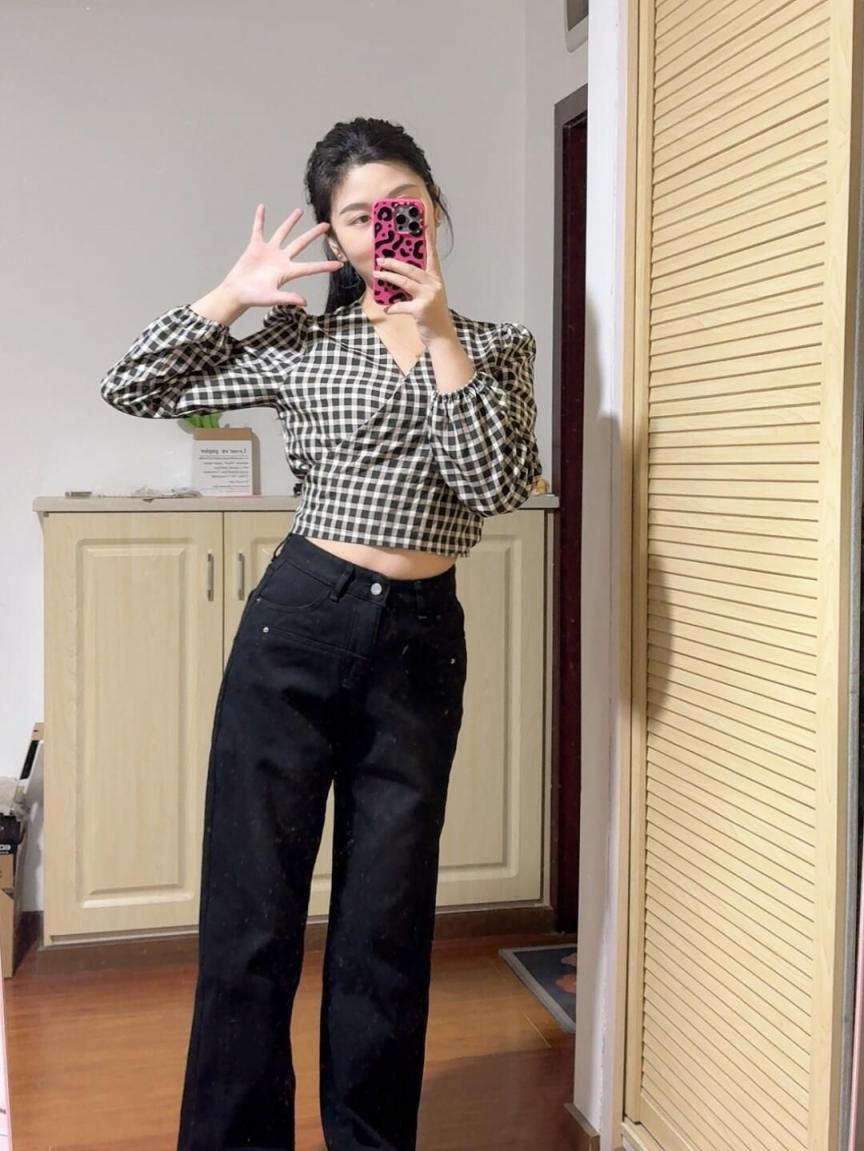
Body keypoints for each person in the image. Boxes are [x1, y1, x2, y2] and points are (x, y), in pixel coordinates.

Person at [99, 116, 542, 1151]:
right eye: (358, 217)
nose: (385, 229)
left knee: (387, 924)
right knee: (251, 918)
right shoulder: (303, 342)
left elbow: (492, 485)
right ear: (336, 239)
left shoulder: (496, 348)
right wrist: (231, 294)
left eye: (402, 206)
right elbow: (134, 386)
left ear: (432, 208)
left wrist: (438, 333)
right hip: (300, 622)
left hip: (421, 643)